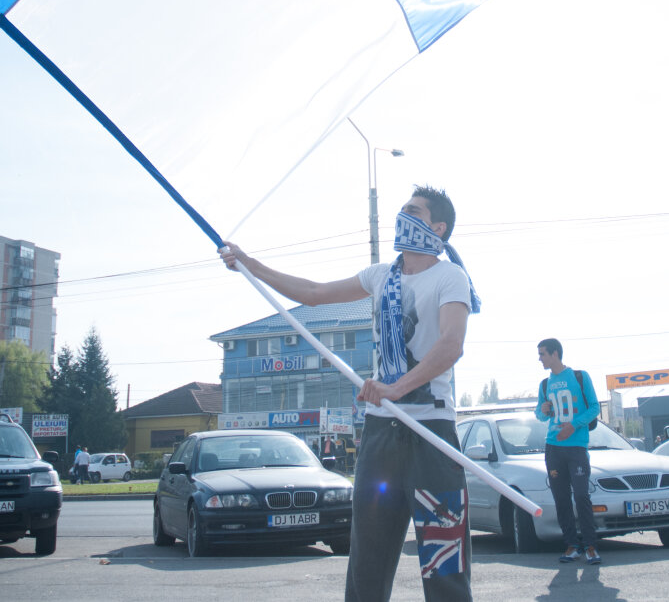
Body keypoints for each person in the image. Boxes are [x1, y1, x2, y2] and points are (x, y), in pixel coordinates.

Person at [223, 185, 480, 602]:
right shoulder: (380, 276)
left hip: (431, 434)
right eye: (401, 209)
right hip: (380, 437)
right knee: (367, 562)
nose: (401, 215)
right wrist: (251, 266)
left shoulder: (450, 277)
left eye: (412, 210)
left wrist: (395, 388)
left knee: (443, 559)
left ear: (437, 227)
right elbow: (315, 294)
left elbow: (451, 345)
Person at [535, 338, 602, 565]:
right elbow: (540, 414)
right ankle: (572, 545)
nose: (540, 358)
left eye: (542, 354)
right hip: (553, 448)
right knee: (561, 498)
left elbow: (594, 407)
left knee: (582, 495)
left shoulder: (580, 377)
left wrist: (574, 425)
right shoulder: (544, 384)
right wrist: (543, 410)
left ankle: (591, 546)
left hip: (576, 447)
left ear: (555, 354)